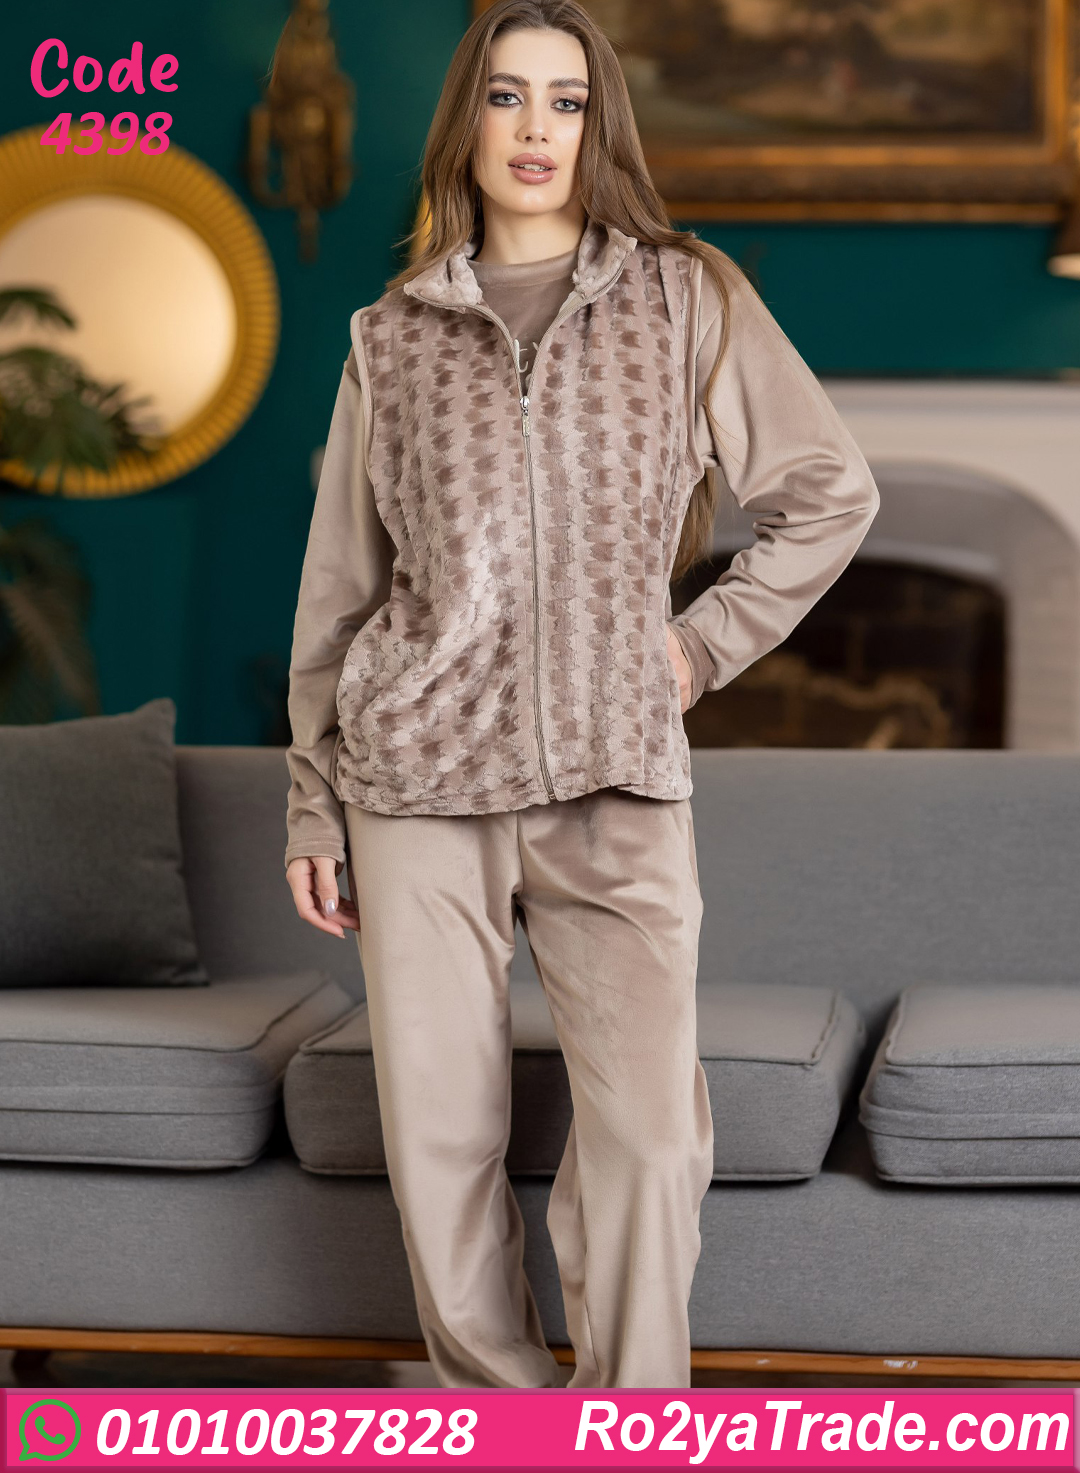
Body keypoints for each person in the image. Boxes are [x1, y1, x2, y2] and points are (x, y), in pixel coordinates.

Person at [283, 0, 880, 1390]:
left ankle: (631, 1419)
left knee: (652, 1136)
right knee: (441, 1136)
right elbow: (339, 591)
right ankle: (508, 1417)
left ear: (599, 124)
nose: (536, 128)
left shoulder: (687, 297)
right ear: (468, 124)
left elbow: (828, 493)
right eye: (507, 96)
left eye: (566, 100)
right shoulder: (390, 337)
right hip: (416, 778)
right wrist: (313, 799)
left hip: (617, 772)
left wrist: (701, 645)